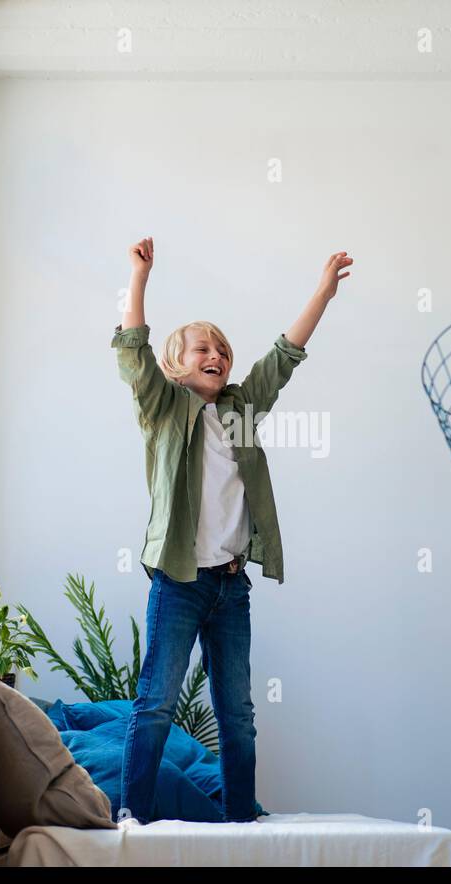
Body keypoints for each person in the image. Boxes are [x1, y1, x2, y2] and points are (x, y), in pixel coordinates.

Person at [111, 237, 352, 824]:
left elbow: (284, 354)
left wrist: (322, 291)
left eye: (221, 347)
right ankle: (131, 820)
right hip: (178, 581)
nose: (216, 353)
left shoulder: (241, 409)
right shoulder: (164, 407)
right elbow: (133, 352)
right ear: (176, 365)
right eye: (202, 348)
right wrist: (139, 278)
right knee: (157, 704)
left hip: (230, 586)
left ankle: (242, 823)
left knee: (237, 712)